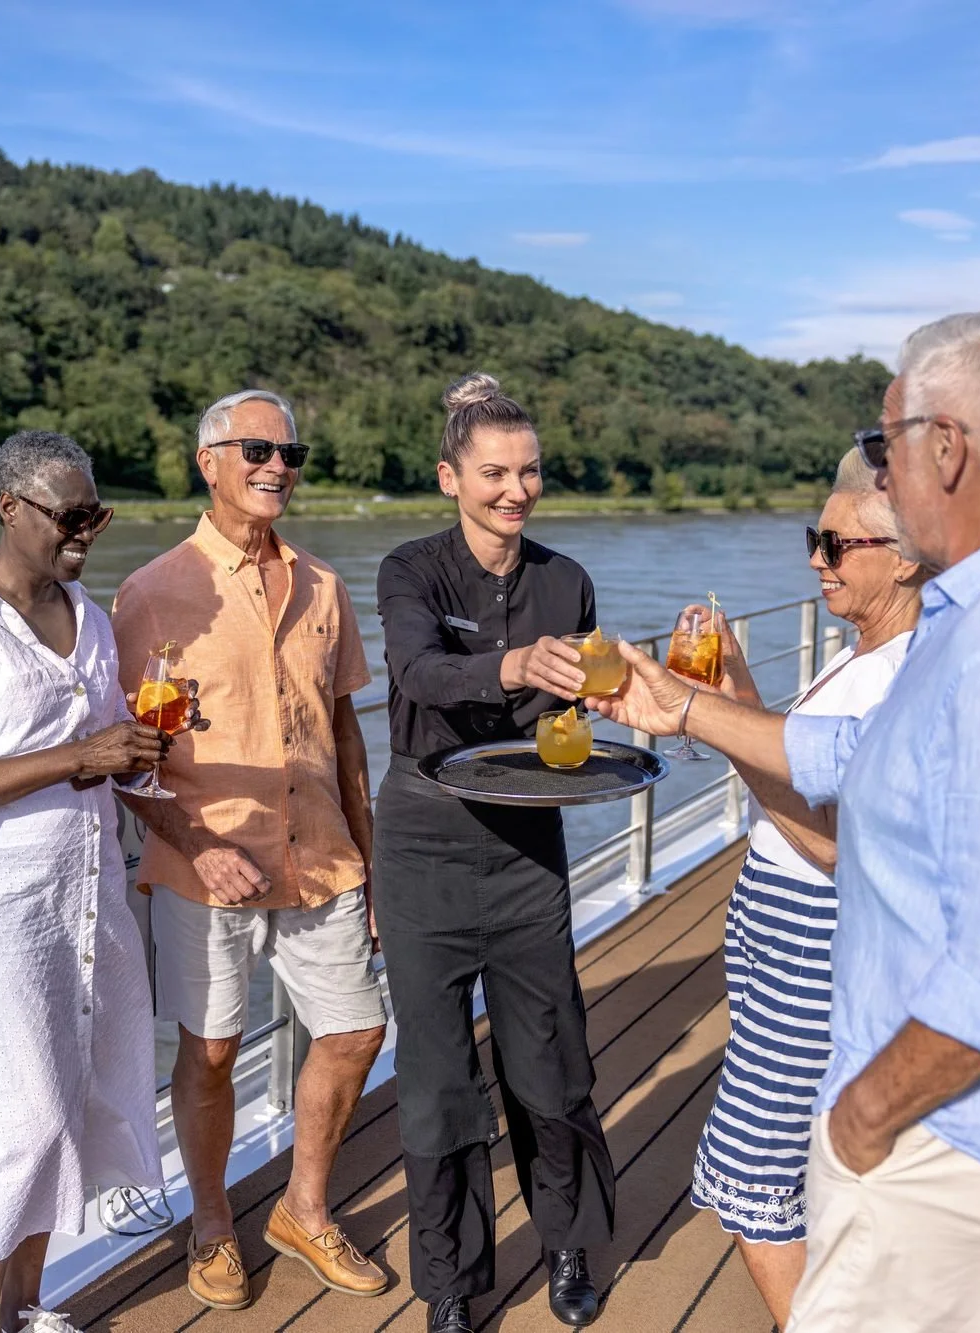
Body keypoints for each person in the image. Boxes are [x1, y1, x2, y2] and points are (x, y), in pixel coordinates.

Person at [589, 312, 980, 1333]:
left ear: (946, 447)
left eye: (890, 436)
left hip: (961, 1150)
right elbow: (862, 762)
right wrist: (686, 705)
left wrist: (862, 1118)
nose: (882, 462)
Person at [111, 389, 390, 1311]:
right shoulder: (151, 593)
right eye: (258, 448)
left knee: (356, 1030)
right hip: (207, 866)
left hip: (323, 855)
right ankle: (213, 1222)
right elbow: (127, 757)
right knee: (214, 1052)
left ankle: (303, 1210)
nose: (278, 465)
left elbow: (345, 734)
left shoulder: (324, 586)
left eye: (291, 452)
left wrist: (373, 858)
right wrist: (194, 841)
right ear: (210, 462)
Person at [0, 430, 171, 1333]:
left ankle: (27, 1307)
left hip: (84, 888)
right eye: (70, 514)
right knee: (21, 1112)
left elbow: (100, 742)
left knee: (75, 1095)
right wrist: (84, 753)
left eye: (97, 512)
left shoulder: (86, 613)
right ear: (10, 508)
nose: (86, 530)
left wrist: (132, 750)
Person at [373, 372, 615, 1333]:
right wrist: (513, 664)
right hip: (425, 843)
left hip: (527, 845)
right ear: (450, 476)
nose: (515, 490)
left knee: (549, 1061)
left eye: (530, 472)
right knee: (437, 1082)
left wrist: (627, 700)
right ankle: (450, 1288)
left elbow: (579, 711)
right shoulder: (410, 571)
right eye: (493, 473)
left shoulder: (567, 580)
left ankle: (564, 1245)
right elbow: (418, 672)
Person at [684, 447, 928, 1327]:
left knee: (753, 1164)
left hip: (816, 928)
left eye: (836, 543)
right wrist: (736, 685)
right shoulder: (865, 645)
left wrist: (703, 721)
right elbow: (795, 752)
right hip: (775, 923)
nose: (816, 560)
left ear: (902, 556)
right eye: (811, 539)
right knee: (816, 1148)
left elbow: (834, 845)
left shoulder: (906, 671)